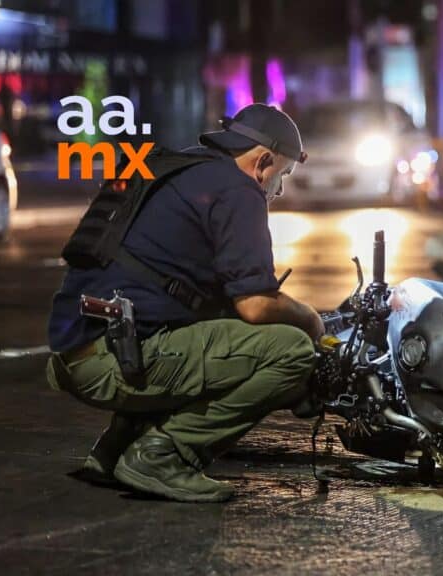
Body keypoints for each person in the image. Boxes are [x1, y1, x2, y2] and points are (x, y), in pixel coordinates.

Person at [45, 104, 325, 503]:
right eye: (282, 175)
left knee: (199, 332)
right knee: (290, 350)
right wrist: (310, 320)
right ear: (263, 160)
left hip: (77, 351)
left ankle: (113, 451)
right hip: (115, 362)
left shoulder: (175, 167)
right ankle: (164, 456)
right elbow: (256, 307)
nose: (277, 190)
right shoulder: (238, 190)